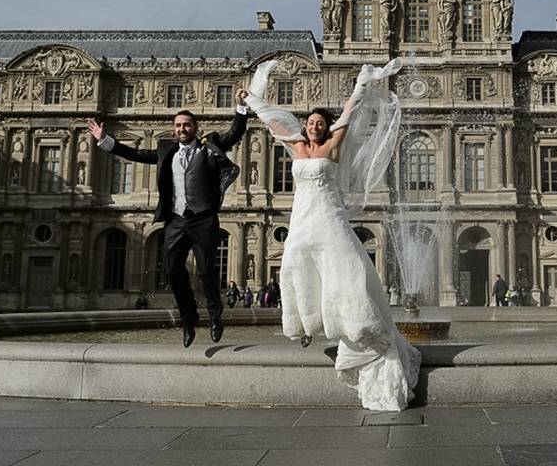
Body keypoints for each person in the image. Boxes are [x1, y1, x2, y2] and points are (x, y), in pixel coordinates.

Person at [245, 57, 420, 412]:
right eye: (310, 122)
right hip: (303, 219)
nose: (313, 127)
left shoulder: (334, 145)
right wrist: (250, 99)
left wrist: (362, 82)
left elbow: (351, 111)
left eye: (319, 123)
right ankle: (308, 324)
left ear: (325, 128)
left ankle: (357, 327)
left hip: (329, 215)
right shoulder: (295, 146)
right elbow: (271, 120)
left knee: (348, 267)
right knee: (295, 265)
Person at [88, 92, 248, 347]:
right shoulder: (166, 151)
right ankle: (188, 318)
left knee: (207, 270)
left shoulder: (209, 147)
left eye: (186, 125)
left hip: (203, 218)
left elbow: (234, 134)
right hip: (176, 220)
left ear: (195, 128)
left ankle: (215, 315)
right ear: (174, 130)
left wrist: (240, 107)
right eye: (178, 126)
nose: (182, 129)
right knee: (172, 270)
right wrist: (105, 140)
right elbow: (134, 154)